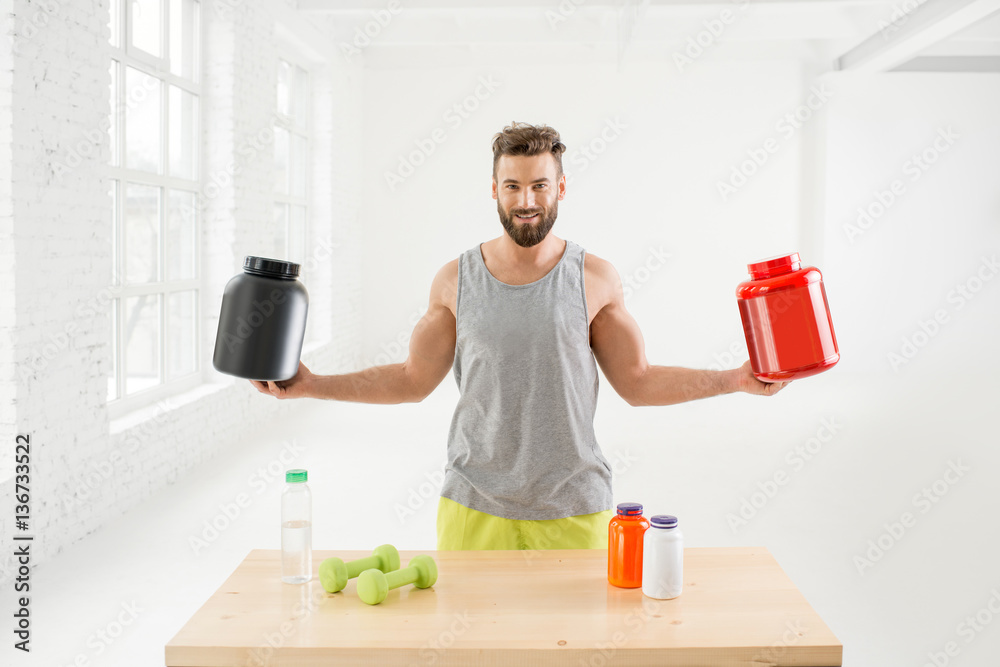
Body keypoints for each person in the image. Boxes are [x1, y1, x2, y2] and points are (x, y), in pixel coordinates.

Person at [251, 121, 788, 551]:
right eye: (513, 186)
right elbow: (413, 380)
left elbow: (639, 382)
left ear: (560, 188)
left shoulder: (595, 278)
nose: (526, 199)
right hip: (474, 508)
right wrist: (309, 383)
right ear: (494, 190)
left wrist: (735, 378)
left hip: (575, 509)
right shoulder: (455, 281)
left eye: (539, 185)